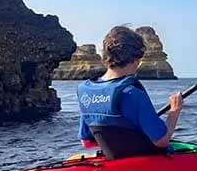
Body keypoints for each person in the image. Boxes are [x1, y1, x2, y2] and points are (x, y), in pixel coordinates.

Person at [77, 26, 183, 160]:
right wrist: (174, 111)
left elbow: (87, 142)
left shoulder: (85, 90)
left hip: (113, 159)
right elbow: (161, 141)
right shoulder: (133, 94)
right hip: (144, 162)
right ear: (136, 59)